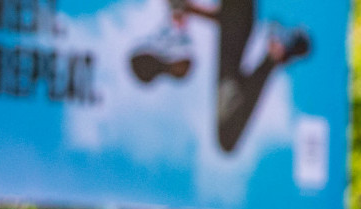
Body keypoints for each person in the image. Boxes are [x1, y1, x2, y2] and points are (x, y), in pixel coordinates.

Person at [132, 1, 312, 152]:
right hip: (232, 30)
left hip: (234, 27)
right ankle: (275, 53)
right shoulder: (174, 25)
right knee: (226, 139)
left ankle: (275, 53)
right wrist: (190, 10)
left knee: (226, 137)